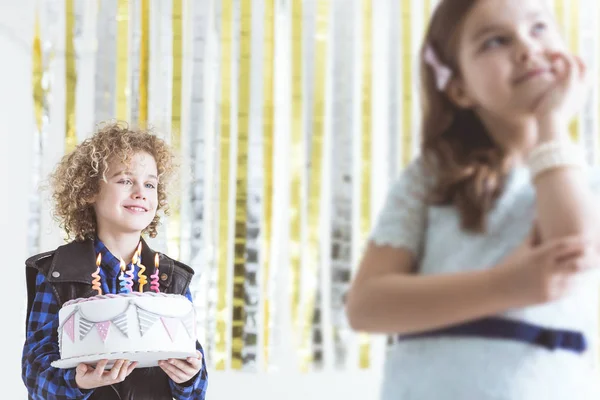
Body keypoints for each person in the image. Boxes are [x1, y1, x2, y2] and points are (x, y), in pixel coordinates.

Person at [345, 0, 600, 398]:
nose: (527, 48)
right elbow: (366, 305)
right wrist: (505, 286)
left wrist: (551, 123)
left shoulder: (584, 181)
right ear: (459, 88)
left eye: (538, 28)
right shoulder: (432, 178)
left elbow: (569, 249)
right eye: (495, 41)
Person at [22, 122, 208, 399]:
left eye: (150, 184)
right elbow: (35, 372)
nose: (140, 192)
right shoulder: (57, 272)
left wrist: (189, 379)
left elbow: (196, 385)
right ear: (88, 191)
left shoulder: (172, 278)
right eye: (125, 180)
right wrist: (78, 382)